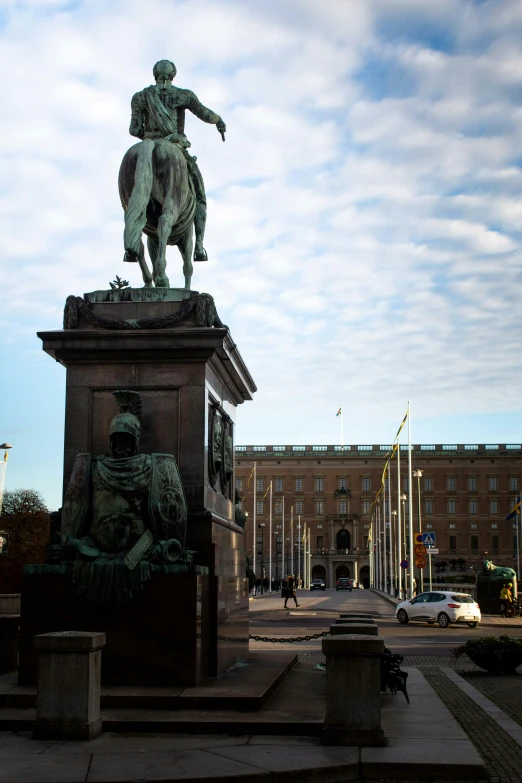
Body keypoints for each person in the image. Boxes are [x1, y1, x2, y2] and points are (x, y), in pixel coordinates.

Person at [127, 59, 226, 263]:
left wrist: (150, 136)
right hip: (175, 145)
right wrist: (219, 120)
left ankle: (131, 238)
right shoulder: (183, 95)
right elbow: (204, 113)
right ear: (173, 75)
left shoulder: (140, 98)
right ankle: (199, 245)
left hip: (148, 142)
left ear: (154, 75)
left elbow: (134, 130)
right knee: (199, 192)